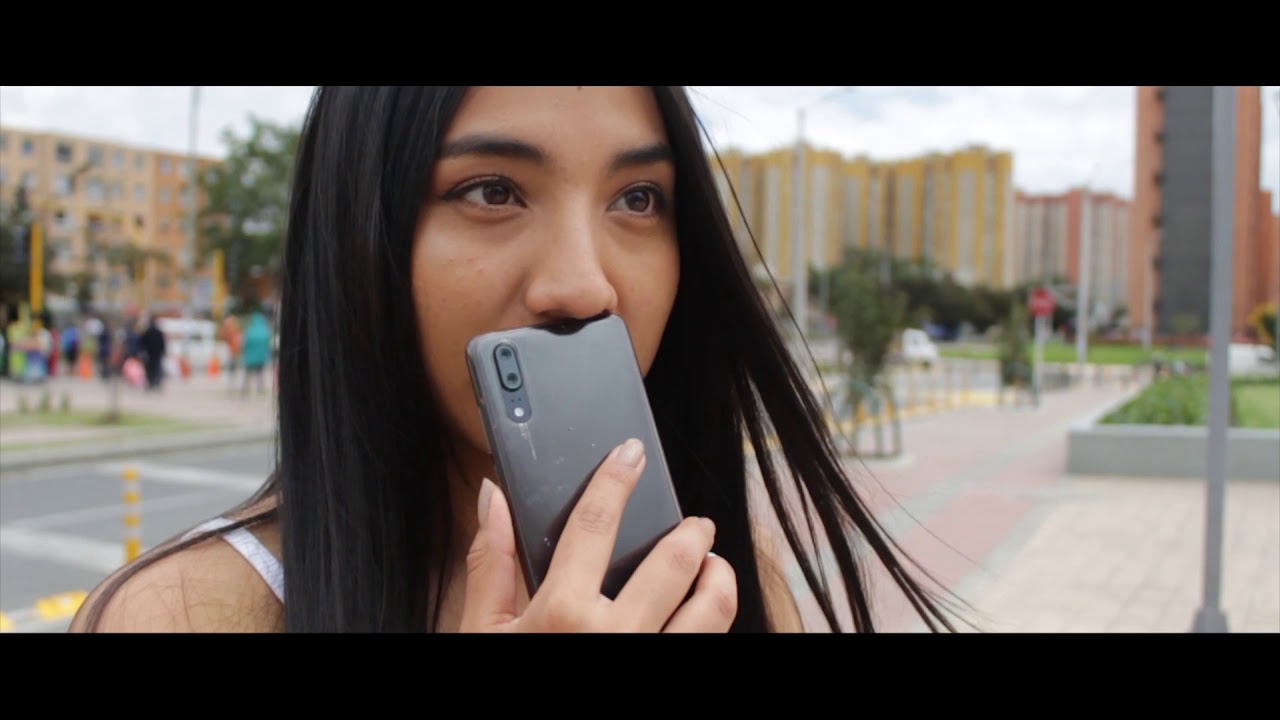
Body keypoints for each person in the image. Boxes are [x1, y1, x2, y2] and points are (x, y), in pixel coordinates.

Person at [71, 86, 964, 633]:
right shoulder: (185, 615)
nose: (583, 286)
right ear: (359, 238)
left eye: (638, 198)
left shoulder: (722, 582)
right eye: (491, 190)